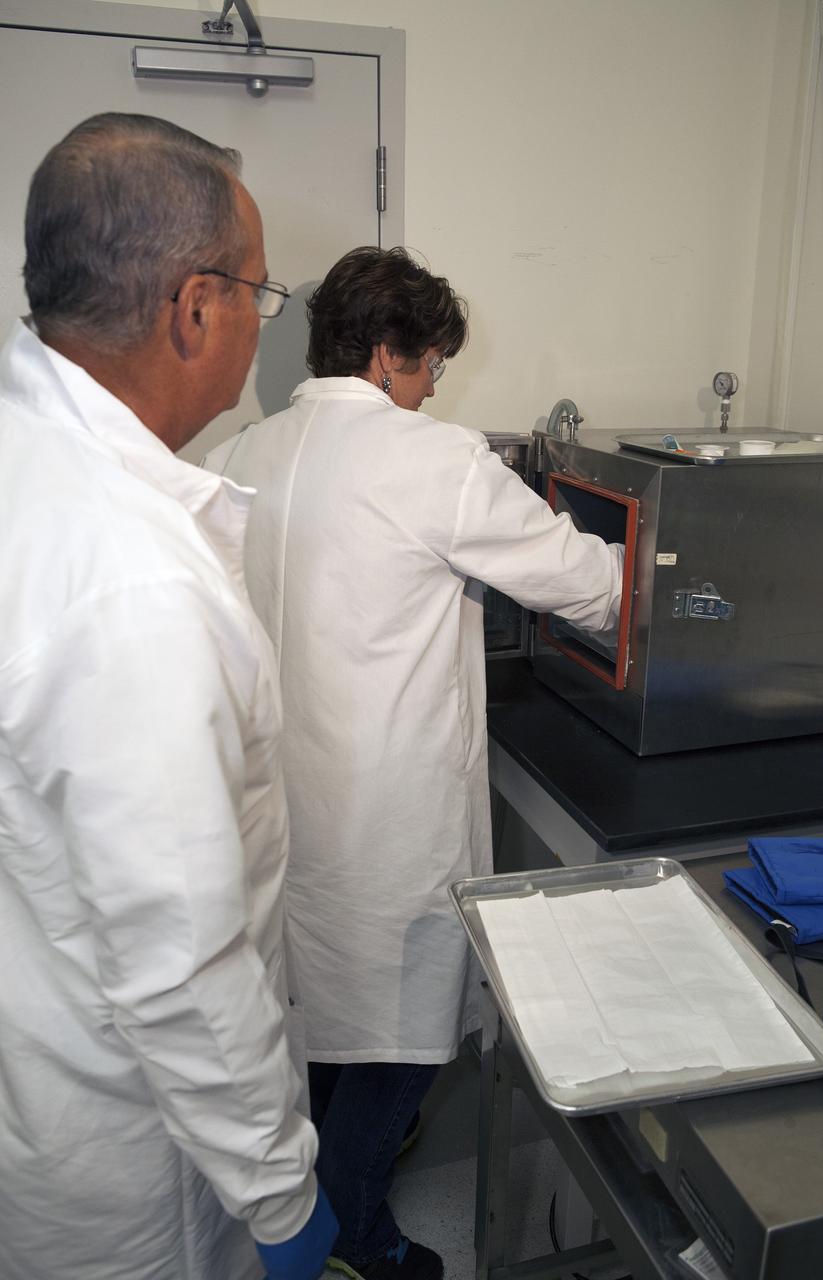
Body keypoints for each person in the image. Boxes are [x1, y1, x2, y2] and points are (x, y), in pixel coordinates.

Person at [203, 246, 624, 1280]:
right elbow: (590, 585)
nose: (434, 383)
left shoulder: (241, 453)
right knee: (395, 1049)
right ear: (389, 353)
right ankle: (360, 1242)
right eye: (431, 361)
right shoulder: (429, 461)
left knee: (321, 1026)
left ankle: (319, 1214)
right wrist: (688, 563)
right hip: (385, 822)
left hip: (279, 815)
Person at [0, 113, 337, 1280]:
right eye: (259, 289)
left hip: (45, 1055)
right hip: (137, 1163)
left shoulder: (26, 450)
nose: (259, 317)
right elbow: (180, 964)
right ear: (195, 308)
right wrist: (283, 1197)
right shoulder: (131, 583)